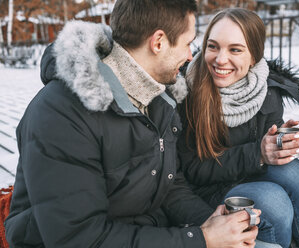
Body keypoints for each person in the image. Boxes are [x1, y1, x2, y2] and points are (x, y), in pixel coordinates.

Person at [4, 1, 266, 247]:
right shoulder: (62, 115)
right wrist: (200, 239)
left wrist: (210, 221)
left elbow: (169, 185)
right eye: (188, 44)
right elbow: (80, 238)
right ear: (159, 42)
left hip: (147, 231)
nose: (190, 56)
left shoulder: (159, 96)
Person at [175, 8, 299, 248]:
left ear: (254, 56)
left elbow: (268, 147)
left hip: (248, 173)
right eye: (213, 46)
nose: (220, 59)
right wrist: (258, 153)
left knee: (298, 174)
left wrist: (284, 145)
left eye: (235, 49)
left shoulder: (267, 90)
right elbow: (192, 169)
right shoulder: (186, 93)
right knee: (272, 201)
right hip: (207, 191)